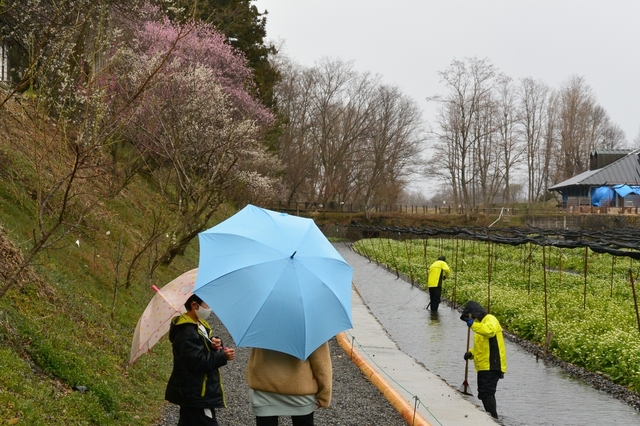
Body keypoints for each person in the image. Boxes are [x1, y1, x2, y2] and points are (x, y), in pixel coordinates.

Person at [165, 294, 236, 426]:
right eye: (207, 304)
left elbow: (200, 347)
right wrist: (222, 356)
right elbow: (197, 361)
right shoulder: (186, 331)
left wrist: (214, 344)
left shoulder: (199, 324)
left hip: (196, 391)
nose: (210, 309)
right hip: (197, 393)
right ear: (194, 305)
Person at [245, 342, 332, 426]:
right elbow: (321, 364)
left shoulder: (261, 326)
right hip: (300, 389)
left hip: (264, 386)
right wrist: (324, 395)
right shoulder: (313, 328)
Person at [460, 300, 507, 419]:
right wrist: (470, 354)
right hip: (483, 366)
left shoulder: (489, 319)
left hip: (492, 364)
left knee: (486, 392)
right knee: (484, 392)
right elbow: (480, 347)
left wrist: (473, 324)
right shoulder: (479, 326)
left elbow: (489, 332)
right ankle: (493, 417)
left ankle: (493, 418)